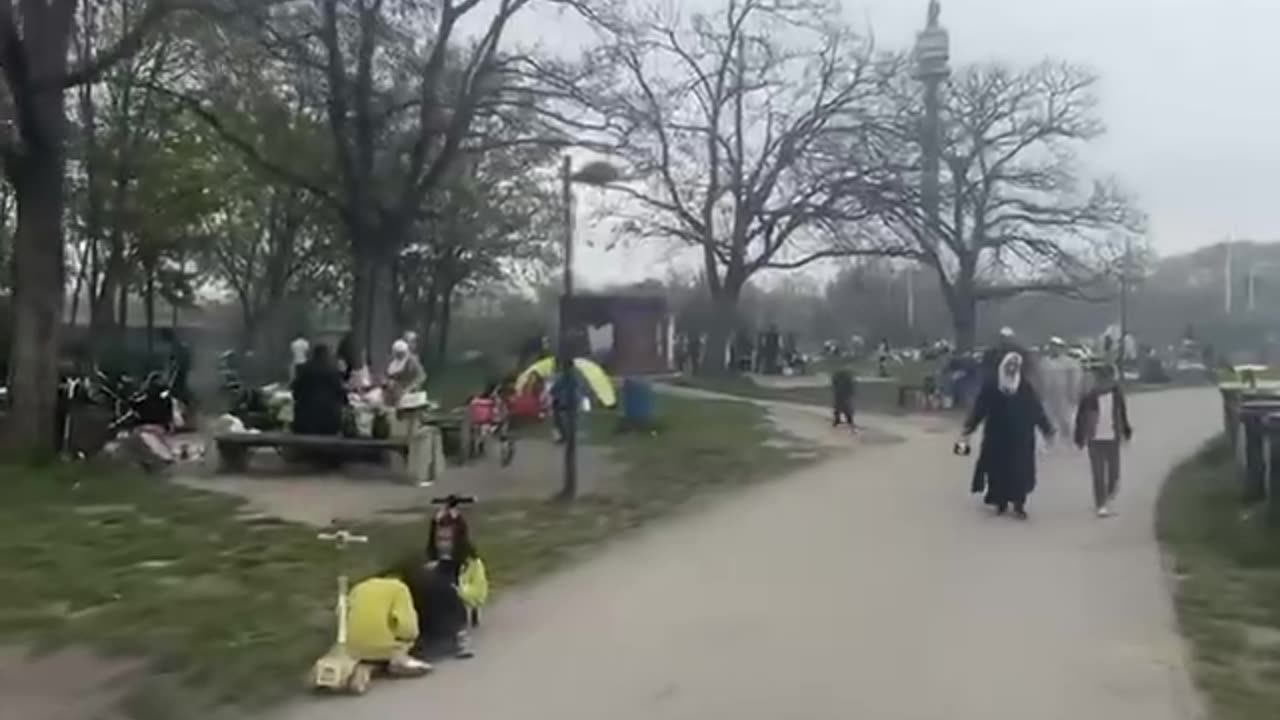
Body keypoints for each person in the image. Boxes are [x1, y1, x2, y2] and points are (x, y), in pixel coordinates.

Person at [961, 352, 1054, 519]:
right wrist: (970, 426)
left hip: (1021, 436)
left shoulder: (1025, 387)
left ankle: (1019, 504)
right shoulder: (992, 386)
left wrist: (1047, 428)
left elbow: (1036, 409)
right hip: (997, 436)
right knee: (998, 469)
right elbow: (980, 408)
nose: (1012, 369)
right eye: (1009, 365)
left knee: (1020, 470)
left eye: (1015, 366)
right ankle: (1000, 501)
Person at [406, 509, 489, 659]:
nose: (443, 545)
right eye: (439, 539)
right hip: (430, 608)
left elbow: (480, 594)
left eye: (448, 540)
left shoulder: (470, 563)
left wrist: (460, 590)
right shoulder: (428, 559)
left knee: (444, 588)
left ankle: (454, 638)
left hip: (457, 605)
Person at [346, 563, 433, 674]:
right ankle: (398, 660)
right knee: (406, 638)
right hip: (384, 648)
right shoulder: (399, 588)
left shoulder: (359, 587)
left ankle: (368, 659)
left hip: (353, 648)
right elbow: (407, 624)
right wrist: (411, 637)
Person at [1073, 364, 1133, 517]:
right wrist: (1079, 437)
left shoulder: (1117, 394)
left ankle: (1108, 494)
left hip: (1113, 438)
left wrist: (1126, 430)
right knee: (1098, 474)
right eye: (1102, 378)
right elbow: (1080, 418)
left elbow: (1123, 413)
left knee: (1114, 475)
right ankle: (1100, 504)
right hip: (1095, 439)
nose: (1105, 382)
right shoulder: (1089, 397)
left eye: (1108, 378)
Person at [291, 344, 346, 436]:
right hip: (329, 422)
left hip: (305, 422)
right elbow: (340, 392)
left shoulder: (305, 369)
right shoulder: (333, 370)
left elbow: (296, 391)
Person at [1038, 337, 1085, 440]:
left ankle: (1068, 442)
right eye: (1052, 346)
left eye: (1056, 347)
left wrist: (1074, 393)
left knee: (1066, 420)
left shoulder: (1070, 363)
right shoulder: (1044, 362)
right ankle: (1051, 443)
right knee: (1049, 420)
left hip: (1064, 395)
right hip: (1048, 396)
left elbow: (1076, 379)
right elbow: (1039, 380)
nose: (1054, 349)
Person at [385, 339, 426, 407]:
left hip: (408, 391)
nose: (397, 355)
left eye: (399, 353)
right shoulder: (392, 361)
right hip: (394, 391)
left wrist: (411, 387)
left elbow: (421, 376)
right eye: (396, 353)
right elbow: (389, 375)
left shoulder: (412, 361)